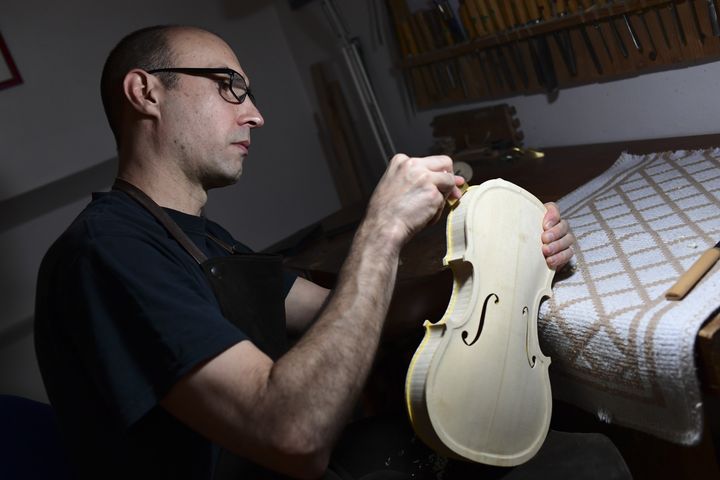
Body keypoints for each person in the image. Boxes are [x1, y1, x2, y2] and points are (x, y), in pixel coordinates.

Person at [34, 25, 624, 480]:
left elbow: (339, 310)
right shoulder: (108, 252)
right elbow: (293, 435)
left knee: (574, 451)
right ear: (145, 92)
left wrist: (499, 258)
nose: (255, 113)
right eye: (228, 87)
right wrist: (380, 229)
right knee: (584, 466)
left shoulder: (203, 240)